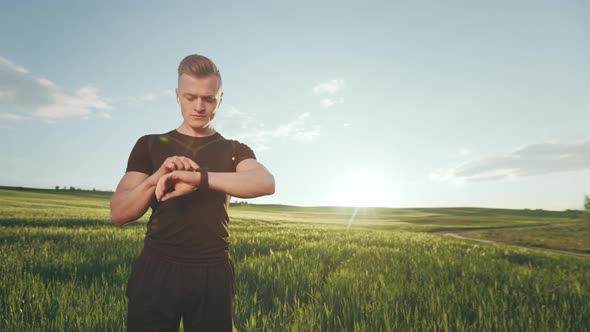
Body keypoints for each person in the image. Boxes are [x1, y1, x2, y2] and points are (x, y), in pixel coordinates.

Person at [110, 54, 275, 332]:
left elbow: (264, 182)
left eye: (209, 99)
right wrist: (158, 177)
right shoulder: (149, 145)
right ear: (177, 95)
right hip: (157, 268)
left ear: (220, 99)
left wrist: (198, 178)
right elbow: (118, 214)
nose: (199, 106)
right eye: (190, 97)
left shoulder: (234, 150)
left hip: (213, 271)